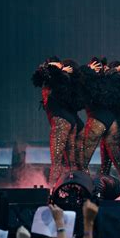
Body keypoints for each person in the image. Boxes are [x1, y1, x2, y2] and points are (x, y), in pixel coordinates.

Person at [80, 57, 120, 184]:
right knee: (118, 161)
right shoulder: (111, 80)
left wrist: (88, 70)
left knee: (83, 159)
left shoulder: (91, 79)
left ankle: (80, 186)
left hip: (98, 120)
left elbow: (79, 84)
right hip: (112, 122)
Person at [32, 56, 78, 185]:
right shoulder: (62, 80)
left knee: (57, 161)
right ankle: (73, 187)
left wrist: (56, 67)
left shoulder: (55, 79)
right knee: (70, 161)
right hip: (68, 121)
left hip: (61, 121)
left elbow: (41, 73)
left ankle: (52, 191)